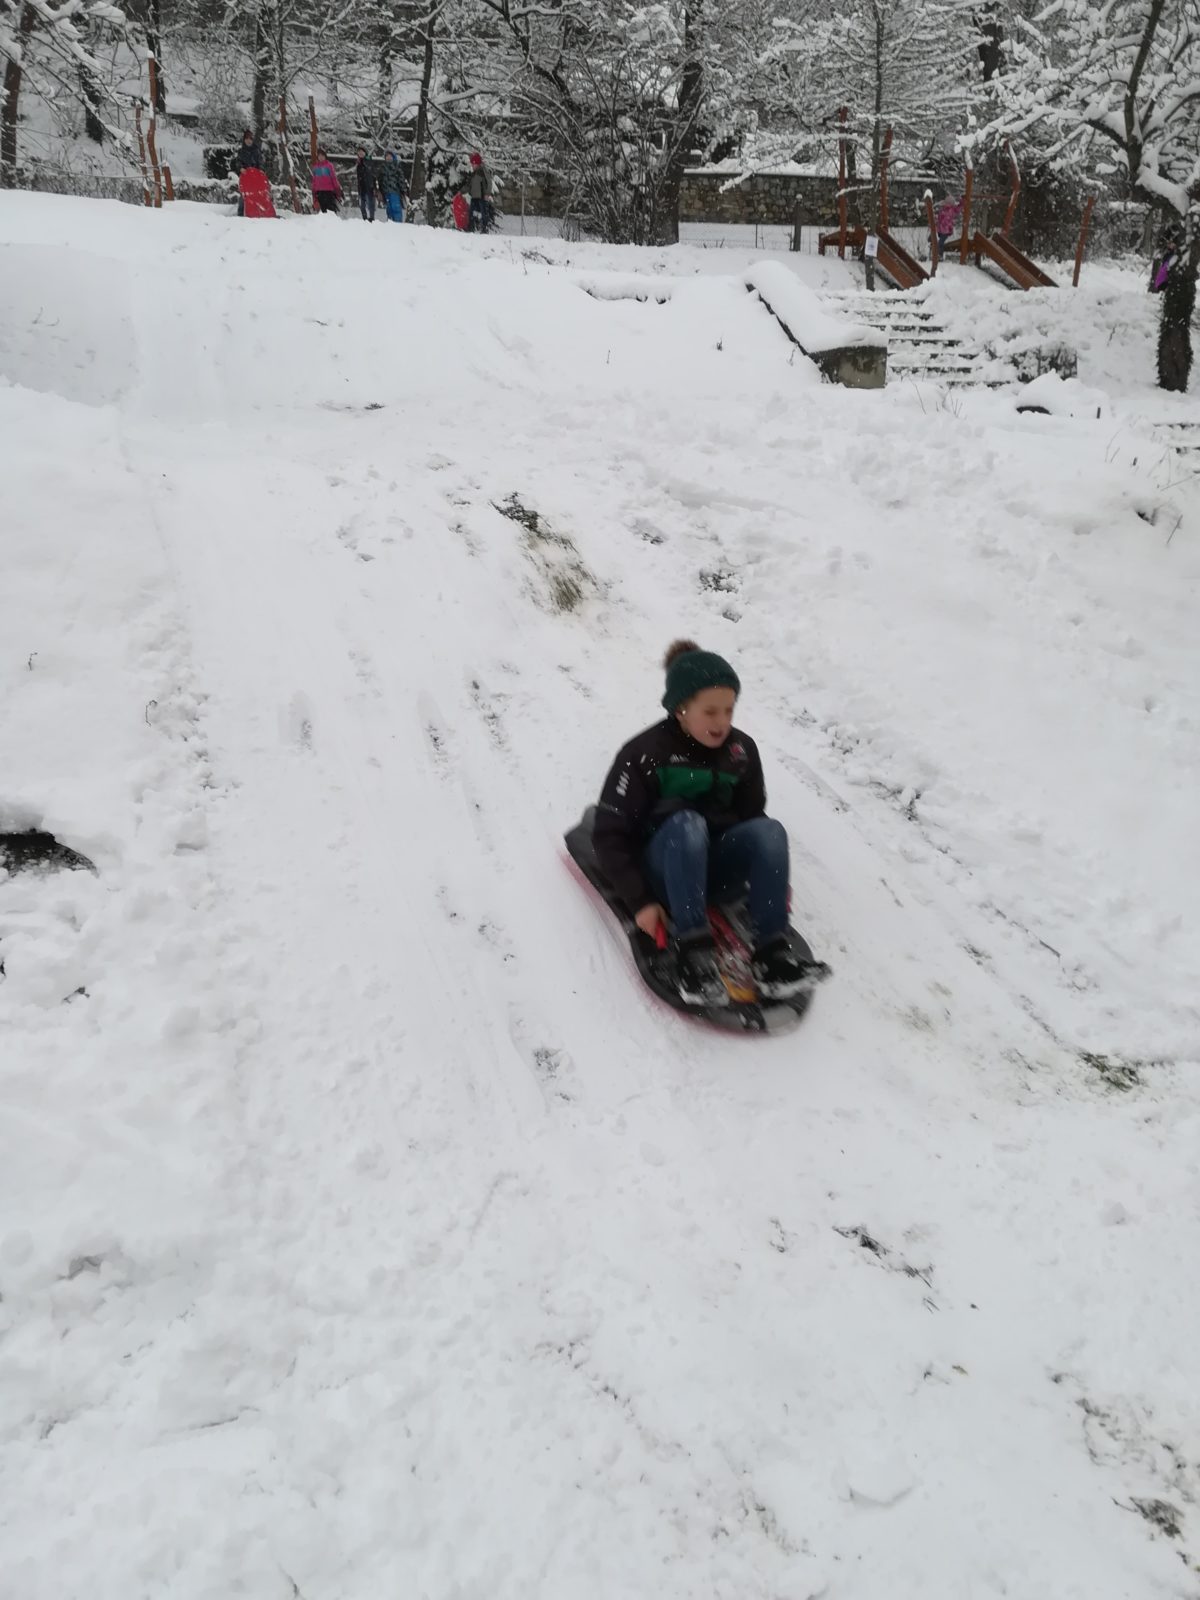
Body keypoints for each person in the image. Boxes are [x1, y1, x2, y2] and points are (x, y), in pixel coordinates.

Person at [593, 640, 814, 1007]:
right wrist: (640, 901)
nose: (722, 722)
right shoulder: (644, 754)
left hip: (714, 871)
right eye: (710, 711)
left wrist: (768, 872)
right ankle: (693, 952)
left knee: (771, 831)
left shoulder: (741, 752)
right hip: (663, 872)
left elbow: (751, 818)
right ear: (681, 708)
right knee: (687, 824)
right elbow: (609, 835)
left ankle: (772, 956)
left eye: (729, 710)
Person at [232, 128, 264, 217]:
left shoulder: (256, 150)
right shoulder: (241, 151)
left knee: (256, 194)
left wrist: (260, 170)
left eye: (250, 139)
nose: (249, 141)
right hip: (245, 176)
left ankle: (256, 212)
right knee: (243, 195)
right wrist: (241, 168)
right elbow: (238, 162)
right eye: (247, 139)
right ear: (244, 140)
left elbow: (260, 162)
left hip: (255, 176)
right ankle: (240, 213)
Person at [378, 151, 409, 223]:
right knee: (389, 209)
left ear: (393, 157)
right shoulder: (383, 168)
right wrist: (380, 190)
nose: (388, 158)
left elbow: (401, 179)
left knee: (396, 208)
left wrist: (403, 189)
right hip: (386, 192)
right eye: (387, 156)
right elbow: (380, 180)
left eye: (390, 156)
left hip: (395, 191)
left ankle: (398, 223)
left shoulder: (397, 167)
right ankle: (390, 222)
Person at [466, 151, 492, 233]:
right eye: (472, 164)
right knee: (471, 213)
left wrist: (487, 194)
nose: (472, 166)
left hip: (482, 196)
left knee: (483, 213)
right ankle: (471, 228)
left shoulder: (483, 171)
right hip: (474, 196)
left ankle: (484, 229)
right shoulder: (474, 173)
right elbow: (471, 184)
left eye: (473, 164)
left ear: (477, 164)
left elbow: (489, 182)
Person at [311, 150, 342, 215]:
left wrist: (337, 188)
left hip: (329, 191)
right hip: (319, 191)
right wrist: (313, 190)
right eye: (319, 156)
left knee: (331, 210)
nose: (321, 157)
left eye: (322, 156)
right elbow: (314, 179)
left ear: (325, 156)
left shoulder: (329, 165)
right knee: (322, 210)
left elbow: (333, 178)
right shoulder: (316, 167)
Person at [355, 148, 376, 222]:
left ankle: (372, 218)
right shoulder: (359, 163)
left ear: (365, 153)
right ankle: (364, 218)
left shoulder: (368, 161)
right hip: (362, 186)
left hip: (369, 185)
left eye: (362, 152)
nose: (360, 153)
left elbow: (372, 174)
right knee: (362, 204)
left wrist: (374, 186)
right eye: (359, 152)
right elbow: (358, 176)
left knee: (370, 203)